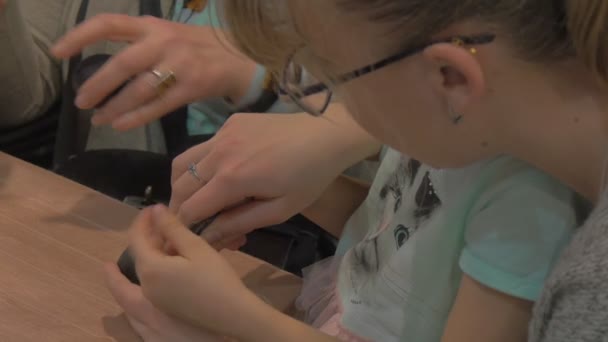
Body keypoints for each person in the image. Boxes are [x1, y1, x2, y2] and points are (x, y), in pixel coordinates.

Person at [99, 0, 608, 341]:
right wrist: (299, 195)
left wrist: (241, 326)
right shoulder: (476, 131)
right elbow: (408, 228)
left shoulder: (577, 278)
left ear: (450, 75)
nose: (332, 111)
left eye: (333, 78)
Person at [0, 0, 284, 155]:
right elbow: (24, 101)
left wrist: (249, 75)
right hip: (109, 207)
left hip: (262, 234)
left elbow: (325, 114)